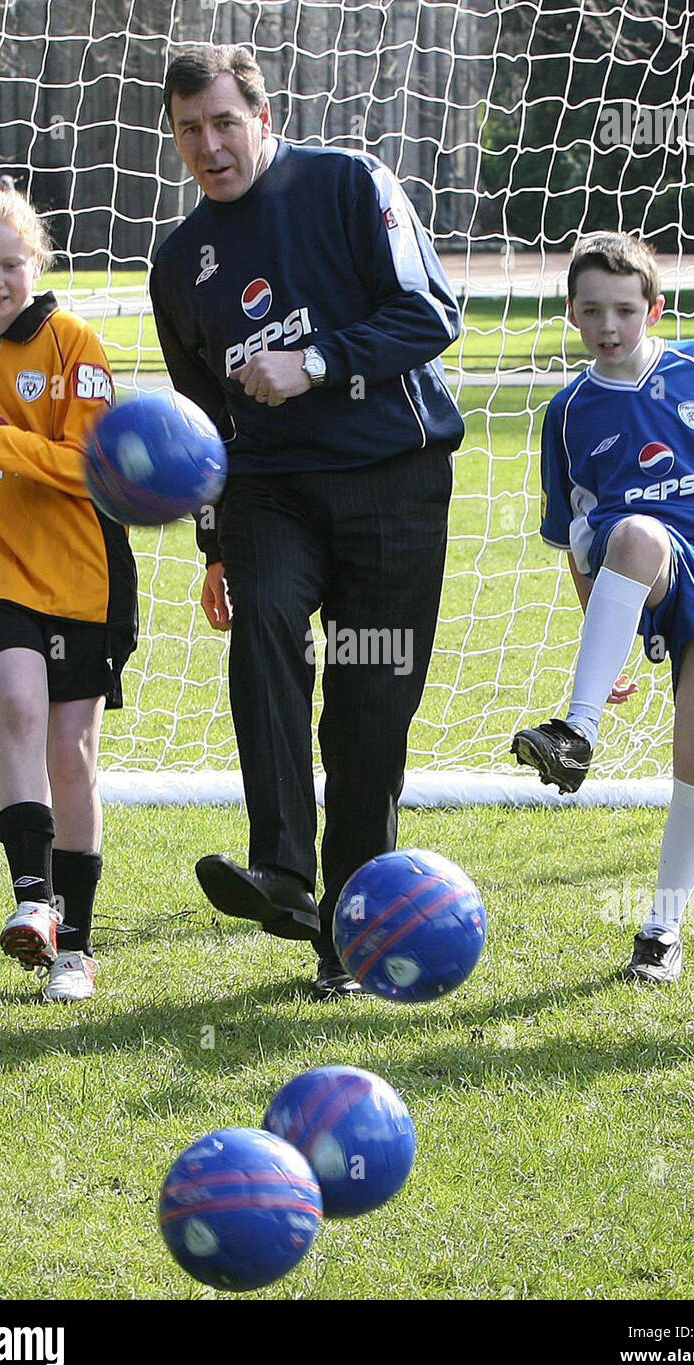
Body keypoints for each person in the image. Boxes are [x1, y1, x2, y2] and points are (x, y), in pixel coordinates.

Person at [150, 44, 464, 998]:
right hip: (272, 495)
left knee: (369, 714)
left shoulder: (346, 184)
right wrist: (214, 542)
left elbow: (432, 313)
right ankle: (282, 868)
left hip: (392, 483)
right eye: (189, 131)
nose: (209, 146)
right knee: (268, 631)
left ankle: (349, 940)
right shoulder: (178, 261)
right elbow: (203, 419)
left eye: (223, 122)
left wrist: (314, 363)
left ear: (263, 114)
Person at [513, 231, 694, 984]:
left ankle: (661, 930)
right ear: (572, 314)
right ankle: (576, 732)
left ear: (653, 308)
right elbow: (579, 543)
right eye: (591, 311)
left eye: (624, 310)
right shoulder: (568, 412)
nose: (608, 326)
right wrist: (594, 657)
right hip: (645, 566)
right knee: (634, 533)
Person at [0, 189, 137, 1001]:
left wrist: (1, 443)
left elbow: (93, 464)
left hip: (82, 573)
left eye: (8, 264)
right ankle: (30, 901)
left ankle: (74, 950)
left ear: (37, 261)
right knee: (14, 703)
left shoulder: (74, 343)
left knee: (70, 754)